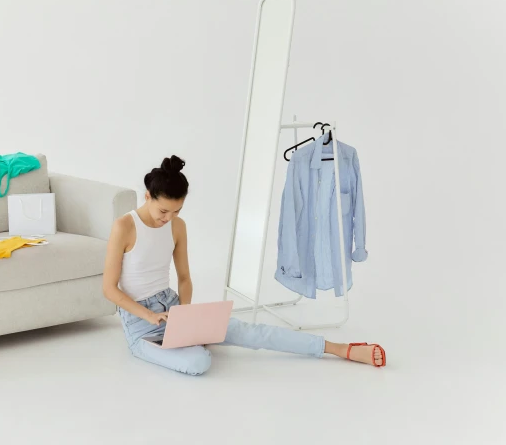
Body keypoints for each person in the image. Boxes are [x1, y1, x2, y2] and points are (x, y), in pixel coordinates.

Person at [102, 155, 385, 376]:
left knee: (253, 332)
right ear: (147, 196)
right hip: (140, 323)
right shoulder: (124, 227)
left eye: (177, 211)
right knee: (198, 362)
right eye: (164, 211)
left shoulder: (178, 227)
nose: (169, 218)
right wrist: (151, 317)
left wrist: (182, 314)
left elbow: (185, 278)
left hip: (173, 309)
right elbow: (109, 289)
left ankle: (338, 349)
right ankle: (196, 342)